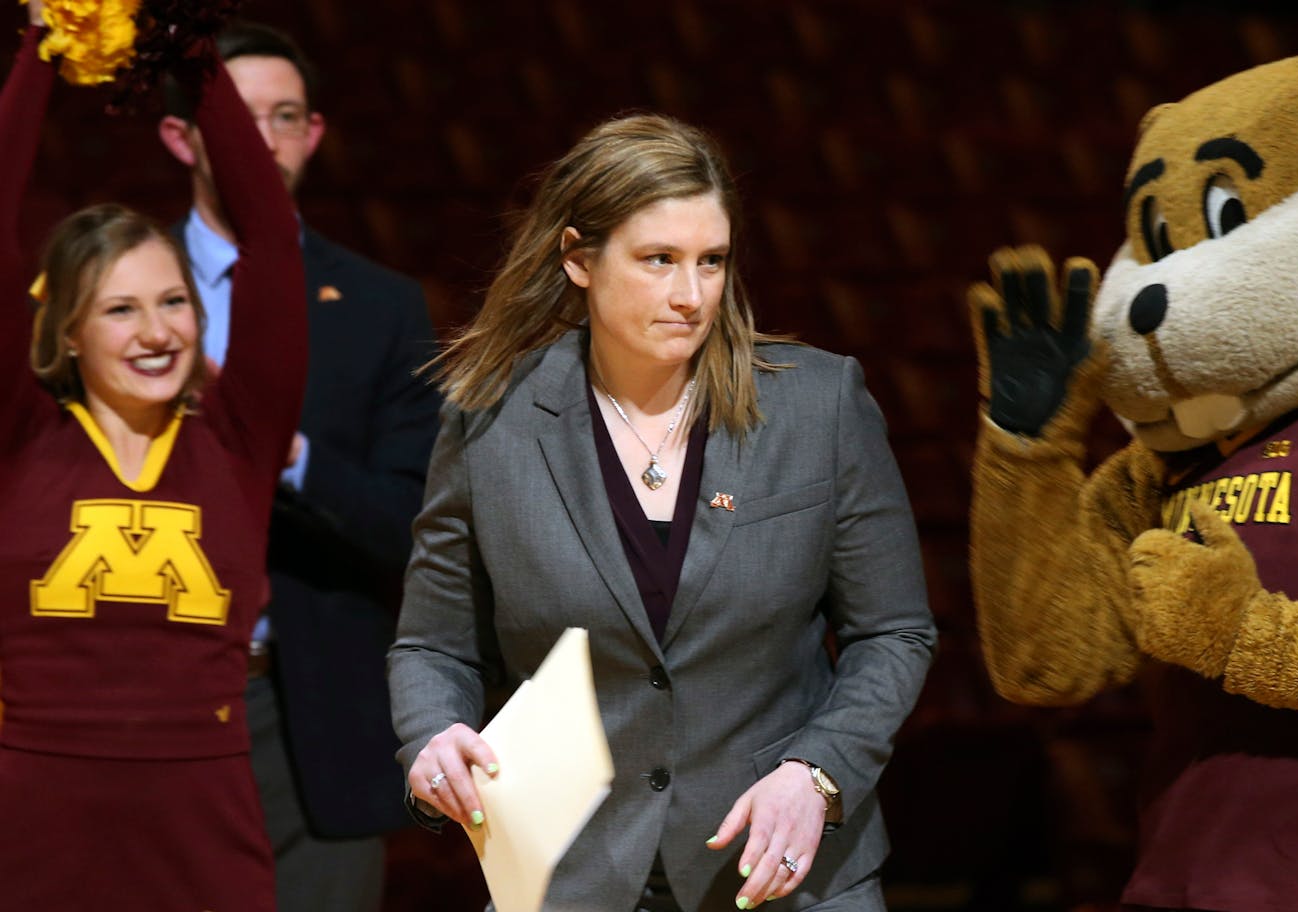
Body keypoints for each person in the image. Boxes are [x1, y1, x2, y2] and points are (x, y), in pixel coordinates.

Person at [387, 112, 938, 912]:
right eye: (659, 261)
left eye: (711, 262)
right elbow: (433, 646)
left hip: (784, 874)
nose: (690, 296)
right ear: (579, 258)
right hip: (571, 879)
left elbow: (894, 632)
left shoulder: (819, 404)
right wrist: (432, 737)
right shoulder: (490, 421)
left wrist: (817, 773)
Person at [0, 2, 304, 909]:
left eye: (172, 301)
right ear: (67, 335)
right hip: (33, 826)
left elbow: (272, 239)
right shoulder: (21, 438)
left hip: (202, 827)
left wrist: (193, 54)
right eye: (121, 310)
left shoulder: (240, 440)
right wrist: (43, 49)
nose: (157, 331)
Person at [155, 20, 441, 911]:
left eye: (285, 118)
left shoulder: (381, 308)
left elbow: (417, 529)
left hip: (309, 714)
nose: (264, 141)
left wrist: (290, 453)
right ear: (181, 137)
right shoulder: (114, 294)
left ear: (312, 134)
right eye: (239, 119)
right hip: (143, 704)